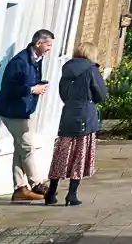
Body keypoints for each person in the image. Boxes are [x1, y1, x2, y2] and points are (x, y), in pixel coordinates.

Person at [0, 29, 54, 202]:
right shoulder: (19, 61)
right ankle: (38, 184)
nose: (50, 48)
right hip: (12, 110)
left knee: (21, 146)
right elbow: (9, 87)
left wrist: (37, 87)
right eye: (48, 45)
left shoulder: (36, 59)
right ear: (39, 43)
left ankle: (20, 188)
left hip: (25, 110)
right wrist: (32, 89)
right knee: (27, 147)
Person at [45, 44, 107, 206]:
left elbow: (62, 93)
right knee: (80, 154)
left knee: (62, 153)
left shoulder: (67, 69)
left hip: (68, 113)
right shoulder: (91, 69)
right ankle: (71, 194)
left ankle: (51, 192)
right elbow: (101, 94)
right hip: (85, 114)